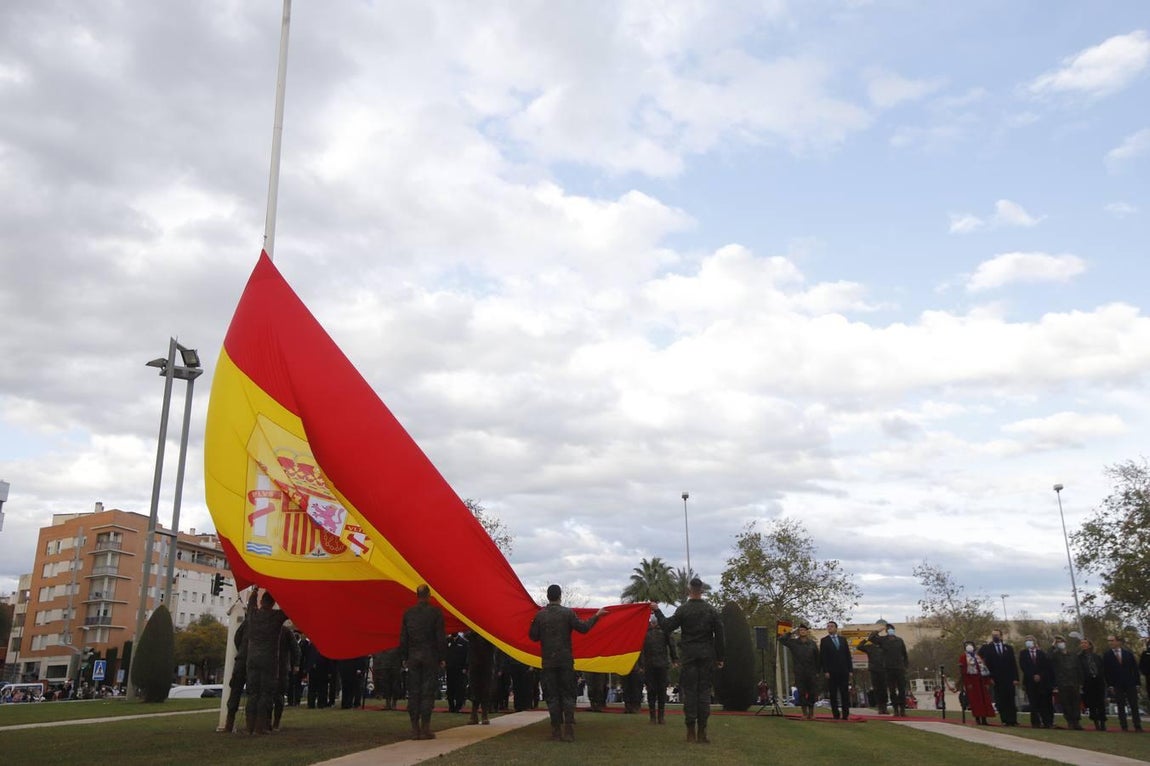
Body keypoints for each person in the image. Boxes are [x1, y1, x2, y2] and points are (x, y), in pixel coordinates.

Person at [529, 584, 607, 742]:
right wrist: (597, 616)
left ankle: (556, 731)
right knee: (567, 695)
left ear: (548, 597)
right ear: (560, 596)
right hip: (565, 660)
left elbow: (533, 637)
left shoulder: (540, 615)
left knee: (552, 696)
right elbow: (584, 628)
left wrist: (534, 622)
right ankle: (569, 731)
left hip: (549, 661)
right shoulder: (568, 613)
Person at [655, 577, 725, 743]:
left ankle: (690, 731)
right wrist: (720, 657)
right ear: (702, 591)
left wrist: (657, 610)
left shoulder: (683, 610)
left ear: (689, 590)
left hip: (689, 656)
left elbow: (666, 626)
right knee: (704, 693)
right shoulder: (711, 610)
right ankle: (702, 732)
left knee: (691, 693)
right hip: (707, 655)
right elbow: (720, 636)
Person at [399, 583, 446, 740]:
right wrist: (442, 657)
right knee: (427, 692)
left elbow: (404, 639)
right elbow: (440, 638)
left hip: (413, 656)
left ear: (417, 595)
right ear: (429, 595)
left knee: (413, 692)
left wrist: (404, 657)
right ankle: (425, 728)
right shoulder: (435, 613)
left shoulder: (408, 613)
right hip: (430, 657)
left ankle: (415, 729)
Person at [244, 589, 291, 734]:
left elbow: (251, 603)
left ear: (261, 602)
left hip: (252, 659)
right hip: (269, 661)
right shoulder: (275, 617)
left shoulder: (253, 614)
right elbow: (289, 610)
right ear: (273, 604)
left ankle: (249, 726)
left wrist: (254, 591)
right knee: (265, 693)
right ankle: (261, 727)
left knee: (252, 693)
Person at [641, 613, 678, 724]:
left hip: (657, 664)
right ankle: (656, 716)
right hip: (654, 665)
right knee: (655, 690)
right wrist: (674, 659)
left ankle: (657, 716)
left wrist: (674, 659)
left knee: (658, 690)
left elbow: (671, 645)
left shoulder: (662, 632)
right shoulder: (646, 633)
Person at [978, 628, 1019, 726]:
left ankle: (1013, 720)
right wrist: (989, 677)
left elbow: (1013, 664)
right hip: (996, 679)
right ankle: (1004, 719)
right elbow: (983, 661)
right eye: (993, 635)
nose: (995, 637)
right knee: (1001, 700)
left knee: (1010, 699)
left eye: (997, 635)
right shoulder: (988, 648)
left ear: (1001, 636)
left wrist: (1016, 678)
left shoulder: (1008, 648)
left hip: (1009, 678)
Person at [780, 624, 821, 720]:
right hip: (799, 671)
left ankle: (811, 713)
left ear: (807, 632)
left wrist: (818, 671)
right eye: (800, 630)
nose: (802, 632)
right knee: (801, 692)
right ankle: (804, 713)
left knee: (812, 692)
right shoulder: (794, 643)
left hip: (811, 671)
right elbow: (782, 640)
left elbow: (817, 658)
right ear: (798, 632)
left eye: (804, 630)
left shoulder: (812, 644)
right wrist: (791, 632)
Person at [1103, 634, 1143, 732]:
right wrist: (1110, 685)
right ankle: (1124, 726)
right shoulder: (1107, 655)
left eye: (1112, 640)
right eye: (1109, 641)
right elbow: (1106, 672)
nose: (1110, 643)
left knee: (1134, 705)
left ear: (1118, 641)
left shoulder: (1128, 654)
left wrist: (1137, 683)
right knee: (1120, 705)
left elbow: (1134, 669)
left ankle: (1137, 725)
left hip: (1130, 683)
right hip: (1117, 684)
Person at [1017, 634, 1054, 728]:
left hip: (1042, 682)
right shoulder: (1023, 653)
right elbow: (1023, 666)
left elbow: (1045, 666)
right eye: (1027, 640)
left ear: (1034, 642)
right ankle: (1035, 722)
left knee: (1043, 702)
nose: (1028, 642)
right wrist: (1033, 675)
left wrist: (1039, 675)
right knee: (1033, 703)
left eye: (1030, 640)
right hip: (1030, 681)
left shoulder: (1041, 653)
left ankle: (1046, 722)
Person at [819, 620, 853, 720]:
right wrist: (826, 671)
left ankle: (846, 714)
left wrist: (850, 670)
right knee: (833, 694)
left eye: (832, 626)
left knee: (844, 693)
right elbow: (823, 657)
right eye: (828, 626)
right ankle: (836, 714)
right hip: (831, 671)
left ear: (836, 628)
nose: (829, 628)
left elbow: (847, 655)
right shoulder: (824, 641)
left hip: (843, 671)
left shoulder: (842, 640)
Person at [1049, 634, 1082, 730]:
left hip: (1074, 682)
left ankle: (1077, 722)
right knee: (1066, 703)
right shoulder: (1056, 655)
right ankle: (1070, 722)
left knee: (1076, 703)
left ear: (1065, 642)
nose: (1060, 644)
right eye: (1058, 642)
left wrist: (1080, 681)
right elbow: (1048, 657)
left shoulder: (1072, 655)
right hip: (1062, 683)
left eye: (1061, 641)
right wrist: (1053, 646)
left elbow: (1078, 668)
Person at [222, 614, 248, 733]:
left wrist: (242, 650)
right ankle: (251, 725)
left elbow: (237, 638)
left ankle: (229, 723)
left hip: (241, 660)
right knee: (254, 694)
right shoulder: (264, 622)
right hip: (254, 662)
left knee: (235, 692)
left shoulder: (246, 624)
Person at [958, 640, 994, 725]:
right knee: (976, 701)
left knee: (984, 701)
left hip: (981, 682)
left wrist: (986, 682)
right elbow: (964, 672)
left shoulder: (977, 657)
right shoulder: (963, 657)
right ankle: (978, 718)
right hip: (972, 683)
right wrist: (968, 683)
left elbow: (984, 669)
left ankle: (984, 719)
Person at [272, 623, 301, 729]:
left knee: (279, 695)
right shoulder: (268, 629)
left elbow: (296, 649)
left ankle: (276, 722)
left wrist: (296, 664)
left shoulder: (286, 631)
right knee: (267, 696)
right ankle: (266, 721)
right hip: (269, 667)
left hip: (282, 667)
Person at [877, 623, 909, 716]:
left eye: (891, 629)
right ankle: (895, 709)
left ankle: (902, 709)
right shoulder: (883, 640)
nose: (890, 630)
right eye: (888, 629)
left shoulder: (899, 640)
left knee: (902, 689)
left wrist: (905, 666)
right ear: (886, 631)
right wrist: (879, 630)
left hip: (899, 668)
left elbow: (904, 654)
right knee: (892, 690)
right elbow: (871, 638)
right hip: (888, 668)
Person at [856, 625, 889, 714]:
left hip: (884, 670)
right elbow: (859, 646)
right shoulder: (870, 647)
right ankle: (880, 707)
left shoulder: (885, 647)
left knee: (884, 689)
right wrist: (867, 639)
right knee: (877, 689)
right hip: (874, 670)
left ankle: (884, 707)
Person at [465, 630, 495, 725]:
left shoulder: (489, 633)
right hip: (474, 663)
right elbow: (467, 635)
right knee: (474, 689)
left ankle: (484, 714)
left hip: (487, 663)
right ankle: (474, 714)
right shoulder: (472, 633)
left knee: (485, 689)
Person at [1079, 637, 1107, 730]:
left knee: (1100, 703)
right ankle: (1096, 723)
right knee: (1092, 704)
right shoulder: (1079, 657)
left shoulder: (1096, 656)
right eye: (1082, 643)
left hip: (1098, 681)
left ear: (1090, 645)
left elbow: (1102, 668)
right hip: (1087, 682)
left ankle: (1103, 722)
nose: (1083, 644)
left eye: (1085, 643)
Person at [445, 632, 469, 714]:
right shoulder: (447, 641)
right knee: (450, 688)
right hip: (450, 668)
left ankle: (458, 706)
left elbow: (467, 656)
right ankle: (451, 706)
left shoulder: (464, 642)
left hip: (460, 670)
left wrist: (466, 667)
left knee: (460, 688)